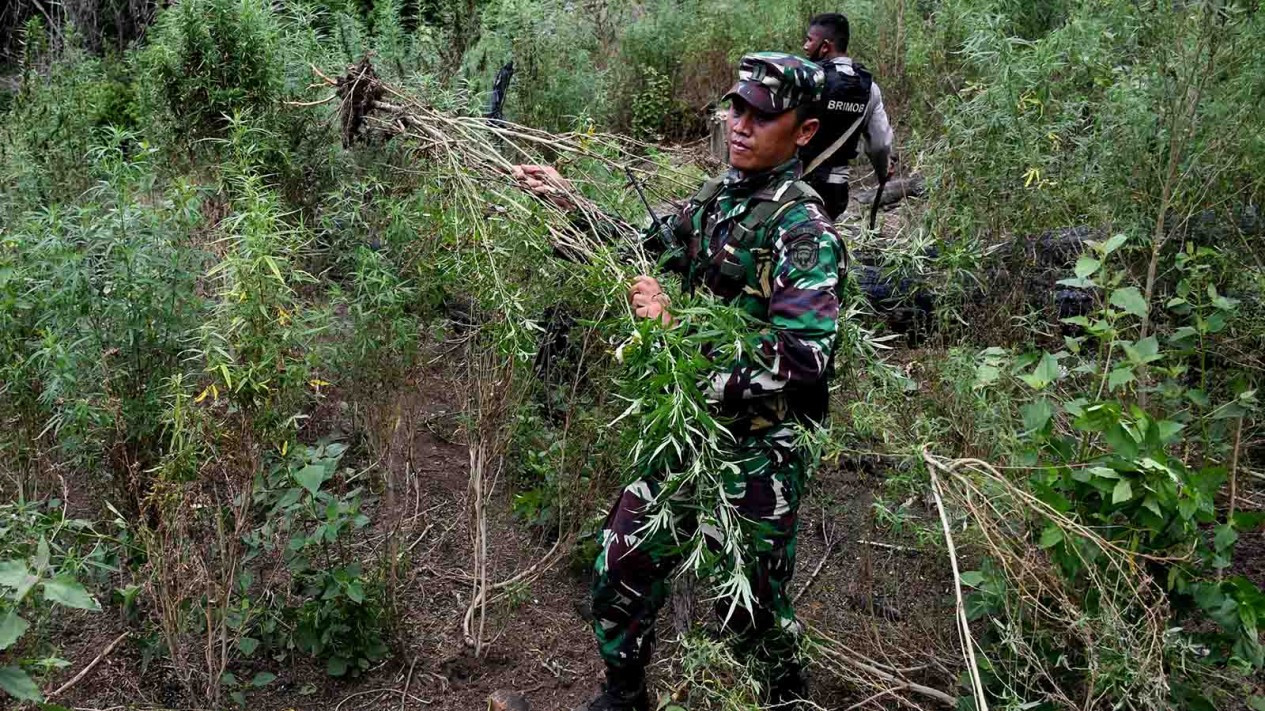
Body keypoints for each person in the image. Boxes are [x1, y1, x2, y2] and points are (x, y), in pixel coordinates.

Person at [513, 53, 846, 711]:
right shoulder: (718, 199)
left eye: (762, 114)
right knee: (622, 557)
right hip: (687, 427)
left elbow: (805, 356)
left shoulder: (801, 229)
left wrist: (679, 338)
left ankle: (786, 698)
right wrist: (566, 199)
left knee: (751, 606)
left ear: (803, 131)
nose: (741, 124)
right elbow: (645, 248)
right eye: (737, 107)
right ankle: (624, 693)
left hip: (757, 447)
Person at [800, 12, 894, 220]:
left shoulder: (807, 81)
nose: (805, 46)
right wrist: (882, 171)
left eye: (809, 40)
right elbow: (880, 144)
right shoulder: (869, 88)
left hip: (796, 185)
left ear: (825, 46)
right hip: (835, 190)